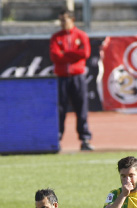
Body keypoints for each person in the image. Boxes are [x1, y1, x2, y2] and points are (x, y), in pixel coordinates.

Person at [50, 9, 93, 151]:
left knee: (81, 108)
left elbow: (85, 53)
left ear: (72, 19)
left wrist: (65, 53)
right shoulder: (56, 37)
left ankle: (84, 139)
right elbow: (55, 56)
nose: (62, 23)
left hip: (77, 77)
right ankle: (56, 138)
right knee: (60, 109)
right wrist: (73, 55)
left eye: (65, 20)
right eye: (60, 20)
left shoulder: (81, 35)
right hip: (62, 78)